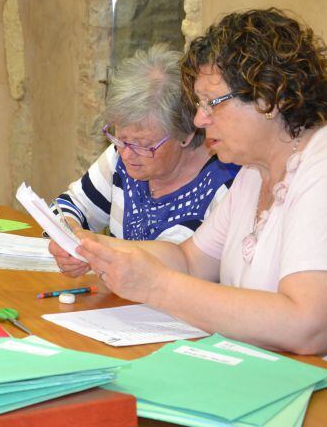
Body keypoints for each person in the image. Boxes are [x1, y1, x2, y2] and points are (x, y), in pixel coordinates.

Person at [75, 8, 327, 364]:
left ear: (268, 98)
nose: (199, 119)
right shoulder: (253, 171)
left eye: (210, 103)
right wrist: (96, 246)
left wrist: (157, 285)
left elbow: (310, 326)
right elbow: (190, 260)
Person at [51, 44, 239, 276]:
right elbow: (66, 206)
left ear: (186, 133)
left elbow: (185, 265)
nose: (127, 154)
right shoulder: (121, 153)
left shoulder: (225, 183)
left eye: (144, 145)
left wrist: (96, 249)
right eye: (120, 138)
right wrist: (69, 237)